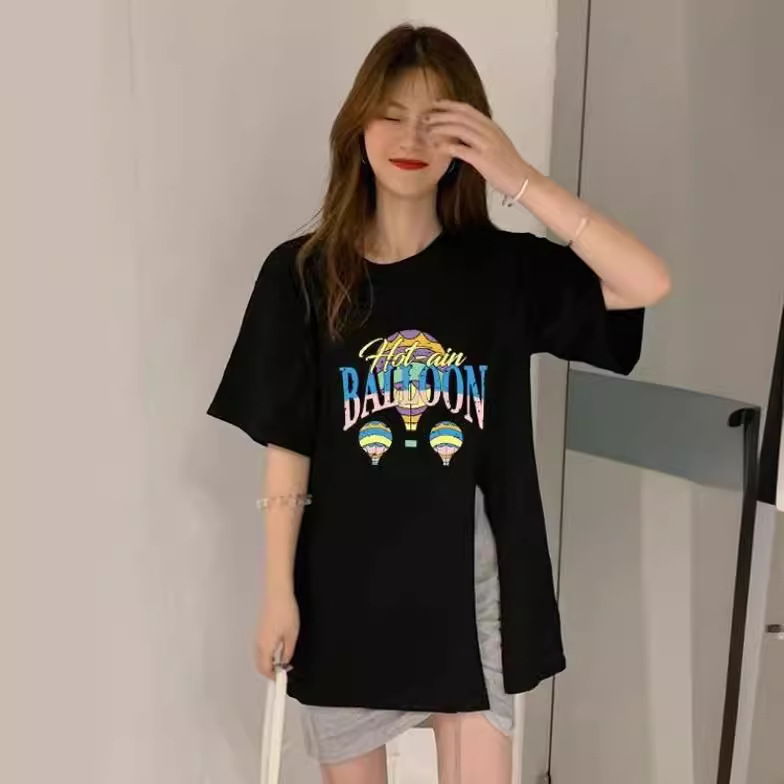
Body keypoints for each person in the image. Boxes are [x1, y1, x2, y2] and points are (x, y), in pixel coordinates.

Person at [207, 23, 671, 784]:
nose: (411, 138)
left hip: (472, 587)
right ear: (358, 127)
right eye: (391, 114)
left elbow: (646, 282)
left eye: (437, 120)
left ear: (469, 135)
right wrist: (276, 593)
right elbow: (288, 449)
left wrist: (519, 176)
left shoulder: (501, 271)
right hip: (344, 588)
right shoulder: (302, 275)